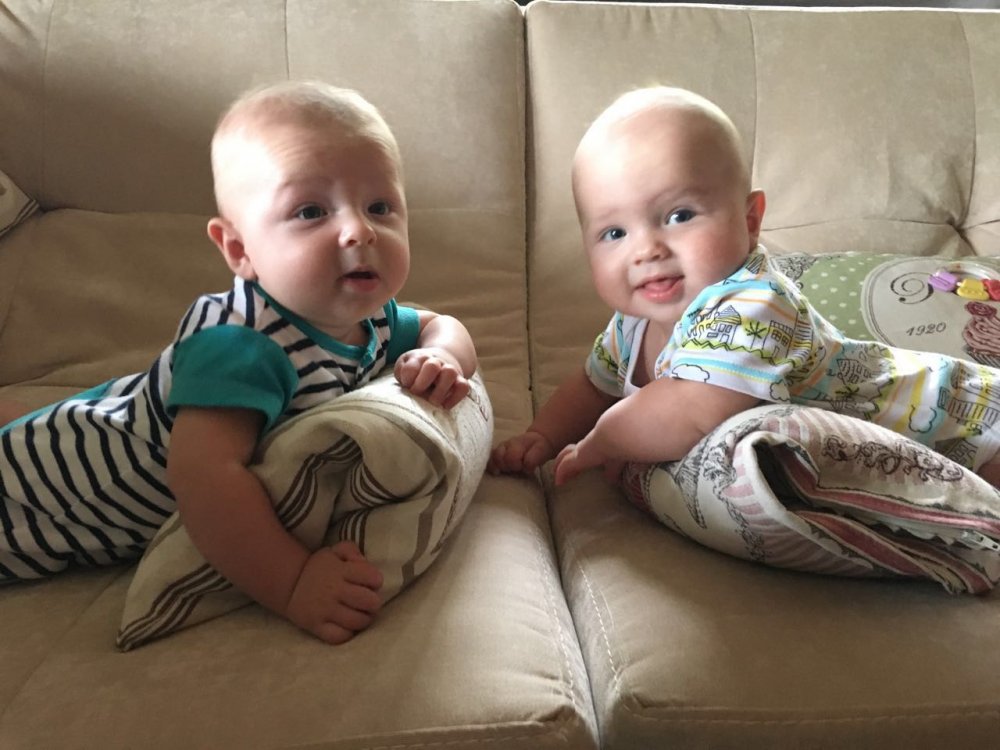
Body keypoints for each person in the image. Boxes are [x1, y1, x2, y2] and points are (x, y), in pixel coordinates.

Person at [0, 80, 478, 645]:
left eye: (380, 206)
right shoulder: (242, 345)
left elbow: (443, 325)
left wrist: (441, 355)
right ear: (238, 250)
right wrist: (293, 581)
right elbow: (203, 480)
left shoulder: (370, 316)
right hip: (39, 503)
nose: (359, 230)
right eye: (310, 211)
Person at [489, 85, 1000, 490]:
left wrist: (601, 442)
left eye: (679, 215)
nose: (646, 250)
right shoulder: (631, 325)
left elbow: (690, 412)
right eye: (614, 233)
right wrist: (543, 436)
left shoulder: (752, 303)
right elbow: (593, 386)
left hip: (963, 420)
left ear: (750, 220)